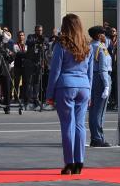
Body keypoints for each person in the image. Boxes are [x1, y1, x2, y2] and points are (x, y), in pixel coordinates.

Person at [46, 13, 93, 175]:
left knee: (68, 125)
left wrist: (49, 94)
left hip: (66, 86)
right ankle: (79, 162)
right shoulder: (87, 45)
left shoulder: (61, 44)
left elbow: (55, 71)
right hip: (84, 87)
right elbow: (90, 72)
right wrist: (90, 92)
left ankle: (69, 163)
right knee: (80, 125)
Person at [88, 26, 111, 148]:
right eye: (102, 34)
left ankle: (95, 137)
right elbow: (103, 69)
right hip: (102, 79)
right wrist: (107, 85)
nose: (104, 36)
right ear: (98, 35)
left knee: (93, 110)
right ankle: (98, 138)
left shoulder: (89, 46)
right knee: (99, 111)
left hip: (93, 79)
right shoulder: (101, 48)